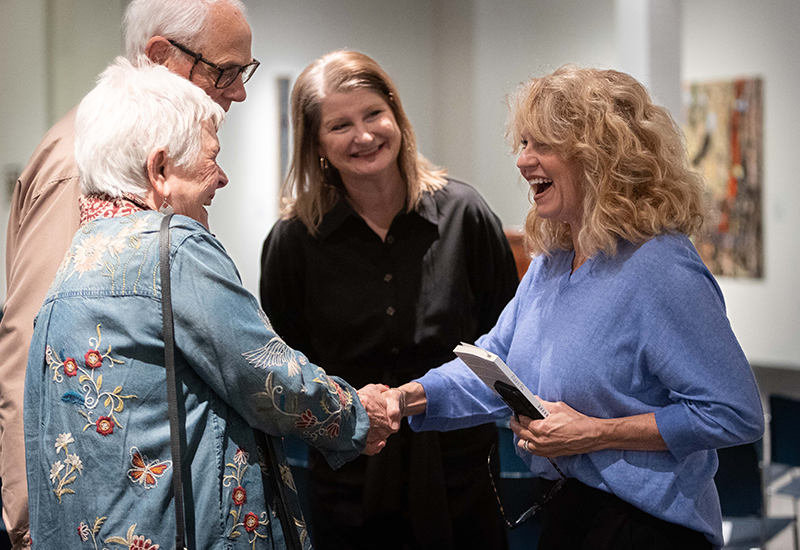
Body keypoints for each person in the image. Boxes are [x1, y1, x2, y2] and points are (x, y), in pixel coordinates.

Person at [384, 65, 765, 550]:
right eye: (522, 144)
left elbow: (734, 412)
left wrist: (595, 433)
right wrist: (404, 398)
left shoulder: (661, 267)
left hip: (645, 531)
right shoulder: (552, 262)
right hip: (569, 513)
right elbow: (494, 367)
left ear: (601, 156)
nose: (523, 161)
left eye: (541, 144)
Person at [24, 58, 394, 550]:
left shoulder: (75, 260)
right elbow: (267, 376)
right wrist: (358, 415)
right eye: (211, 156)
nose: (221, 178)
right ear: (159, 170)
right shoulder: (174, 246)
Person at [1, 0, 256, 548]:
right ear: (161, 56)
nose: (238, 92)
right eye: (225, 71)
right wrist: (25, 525)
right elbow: (33, 341)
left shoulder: (129, 152)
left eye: (245, 71)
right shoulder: (89, 160)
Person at [259, 50, 519, 550]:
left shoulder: (465, 216)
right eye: (339, 125)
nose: (363, 136)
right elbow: (284, 373)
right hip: (348, 486)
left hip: (463, 477)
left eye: (374, 114)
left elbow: (507, 345)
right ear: (315, 143)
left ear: (396, 115)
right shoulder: (293, 242)